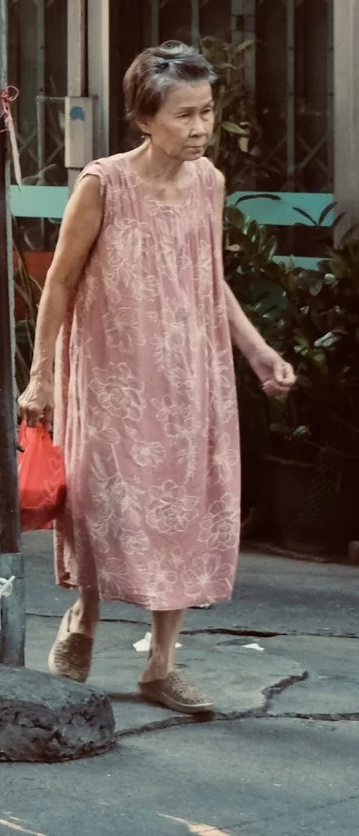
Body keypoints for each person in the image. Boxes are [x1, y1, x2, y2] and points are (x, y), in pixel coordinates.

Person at [17, 42, 297, 716]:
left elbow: (210, 276)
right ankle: (85, 615)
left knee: (183, 507)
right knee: (103, 502)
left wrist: (257, 351)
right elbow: (59, 281)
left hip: (189, 372)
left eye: (207, 112)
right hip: (111, 370)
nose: (200, 127)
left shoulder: (210, 182)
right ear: (145, 118)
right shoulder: (103, 183)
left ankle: (162, 664)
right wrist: (42, 374)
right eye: (185, 115)